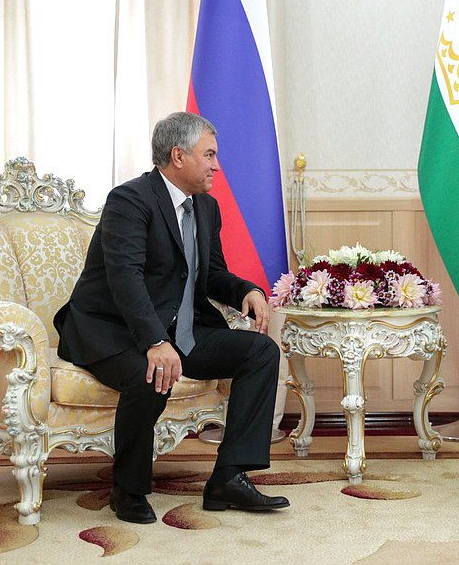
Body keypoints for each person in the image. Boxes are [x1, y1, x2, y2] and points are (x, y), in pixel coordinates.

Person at [54, 111, 289, 524]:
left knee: (260, 352)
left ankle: (229, 477)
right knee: (152, 371)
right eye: (210, 155)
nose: (217, 165)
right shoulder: (129, 200)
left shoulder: (206, 208)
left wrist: (246, 290)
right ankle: (127, 488)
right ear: (178, 156)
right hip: (113, 330)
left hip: (179, 329)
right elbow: (125, 277)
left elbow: (210, 272)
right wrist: (154, 342)